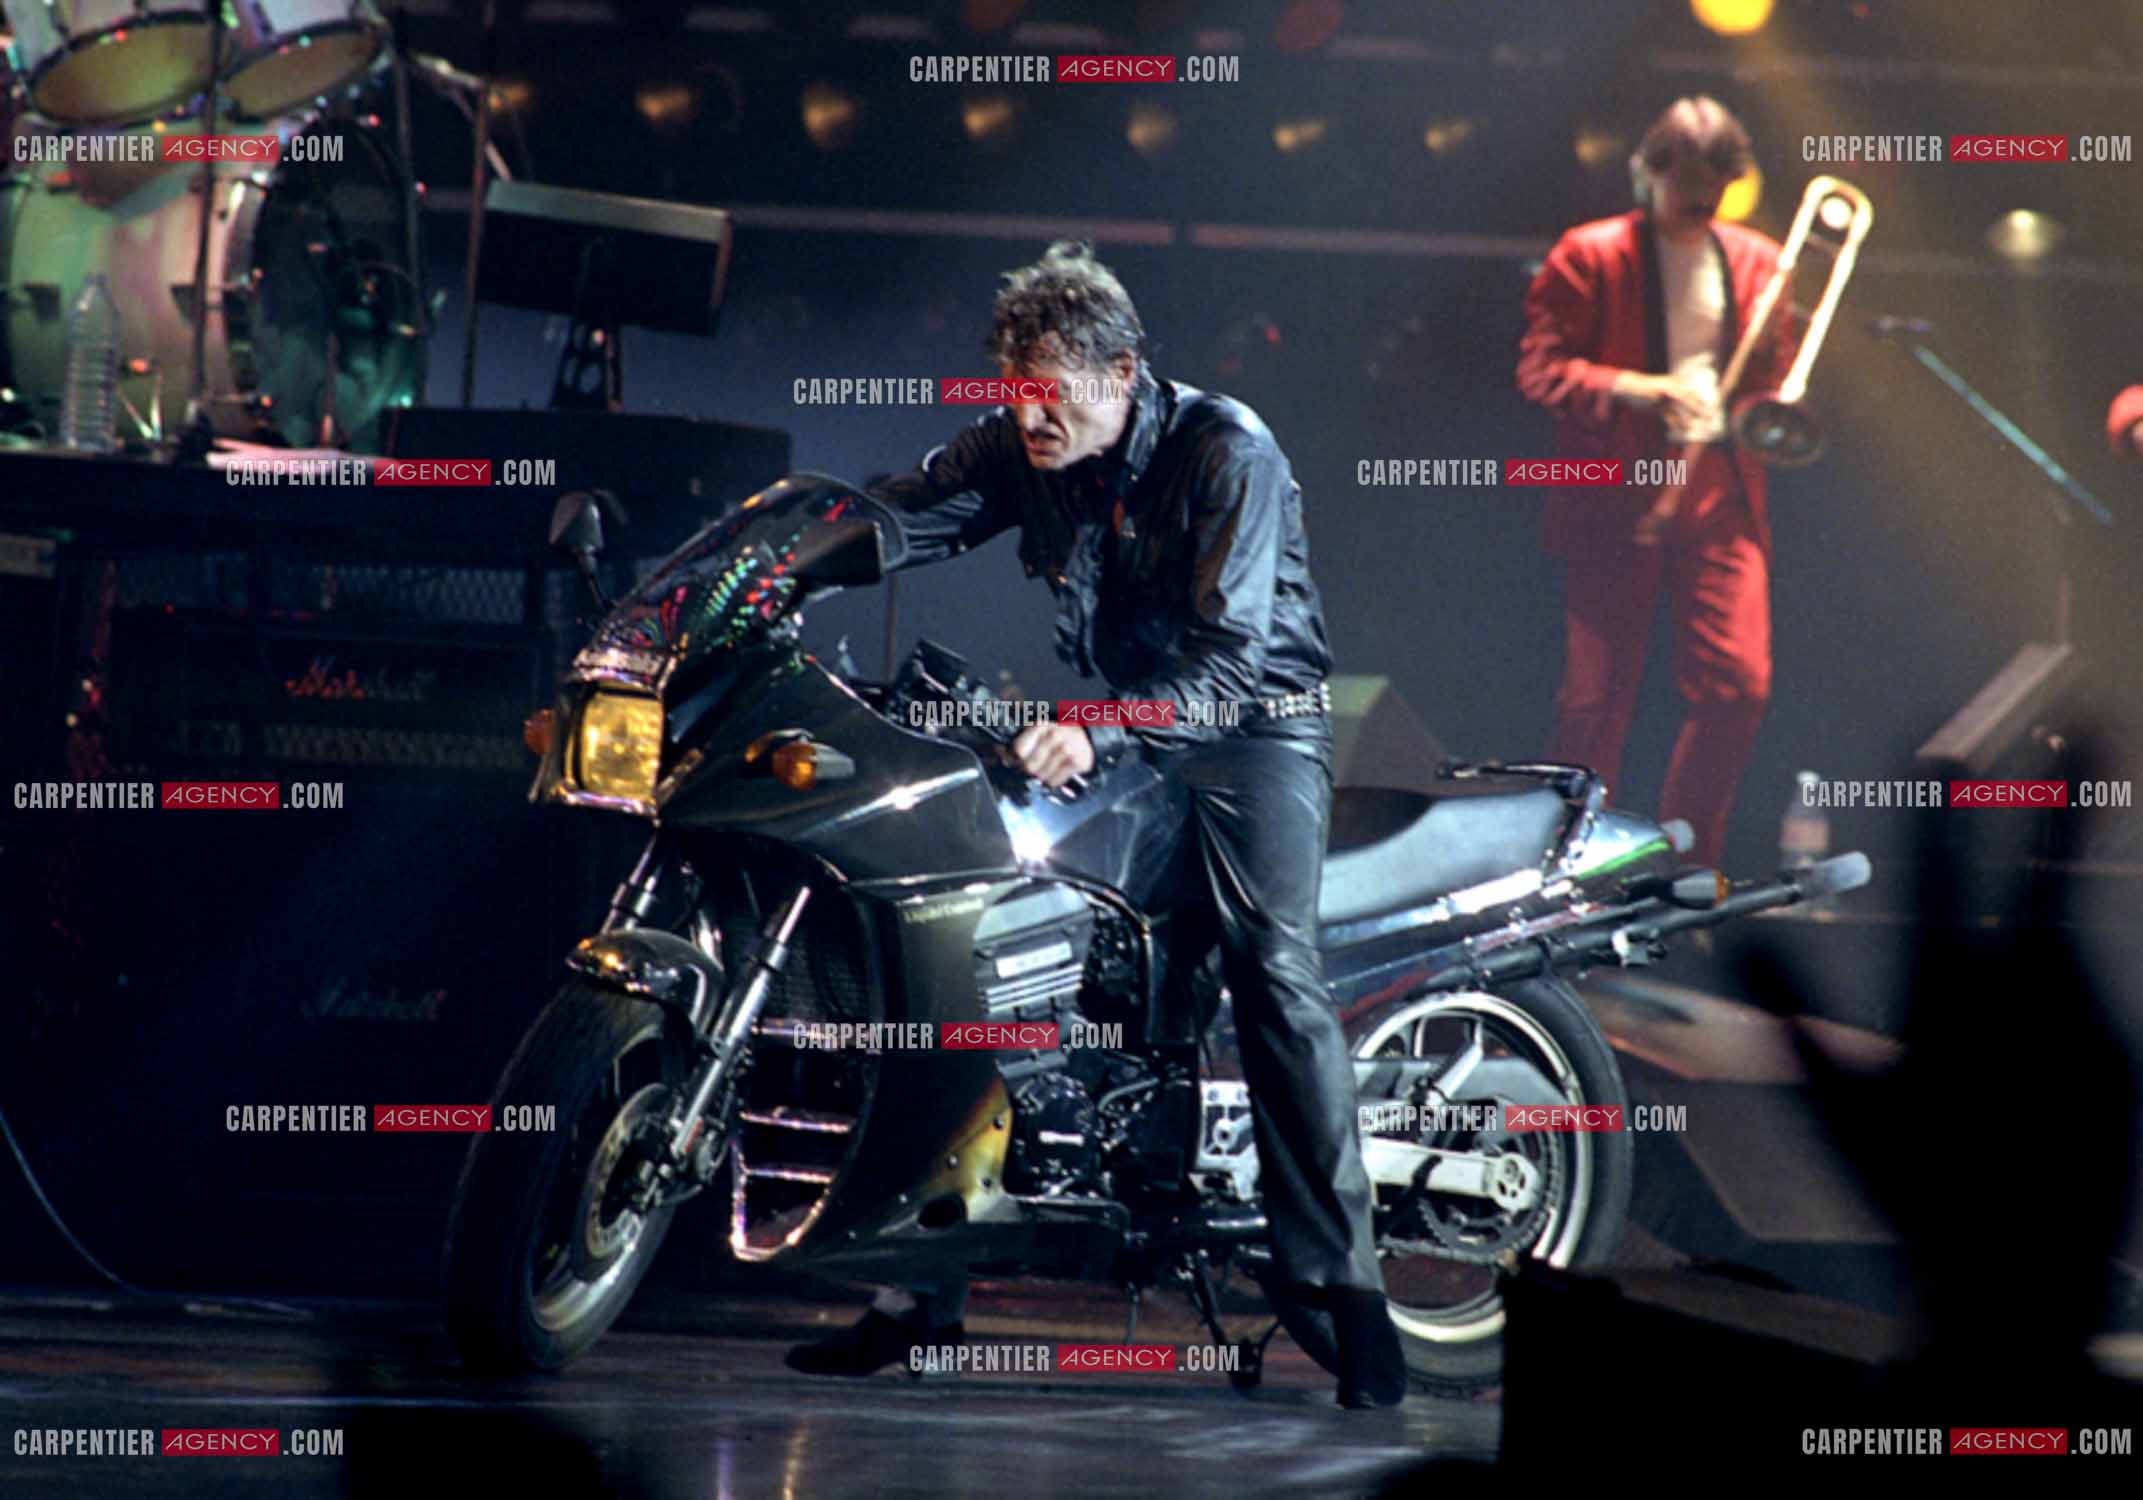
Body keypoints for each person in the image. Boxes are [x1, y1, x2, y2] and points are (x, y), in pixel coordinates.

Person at [783, 240, 1407, 1408]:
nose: (1028, 417)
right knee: (986, 939)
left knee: (1273, 970)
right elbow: (902, 515)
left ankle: (1342, 1291)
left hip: (1250, 733)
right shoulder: (1025, 445)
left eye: (1052, 394)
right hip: (1115, 722)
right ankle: (921, 1286)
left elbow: (1229, 668)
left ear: (1120, 373)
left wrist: (1101, 730)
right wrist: (775, 565)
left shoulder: (1229, 452)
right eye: (1013, 391)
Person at [1515, 96, 1800, 869]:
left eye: (1715, 191)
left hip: (1720, 491)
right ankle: (1566, 866)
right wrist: (1642, 388)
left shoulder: (1757, 260)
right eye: (1684, 189)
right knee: (1593, 701)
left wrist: (1773, 394)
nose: (1698, 206)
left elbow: (1771, 377)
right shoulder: (1589, 253)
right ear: (1646, 171)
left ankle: (1685, 858)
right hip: (1618, 491)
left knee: (1737, 685)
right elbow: (1540, 371)